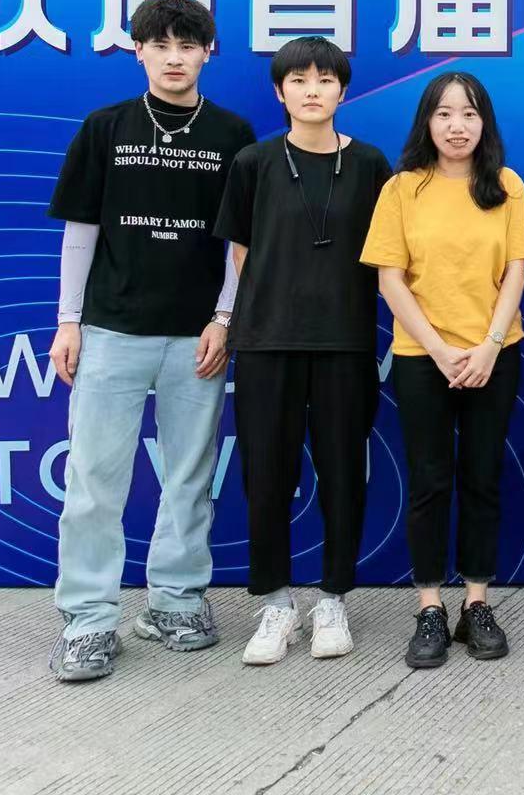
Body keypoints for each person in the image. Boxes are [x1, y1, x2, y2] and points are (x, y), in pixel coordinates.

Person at [45, 0, 256, 683]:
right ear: (138, 51)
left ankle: (177, 600)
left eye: (187, 46)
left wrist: (224, 319)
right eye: (159, 45)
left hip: (196, 337)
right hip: (111, 329)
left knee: (190, 477)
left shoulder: (232, 133)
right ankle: (88, 620)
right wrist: (69, 320)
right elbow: (81, 230)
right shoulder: (105, 128)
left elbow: (240, 242)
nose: (173, 58)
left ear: (207, 53)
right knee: (94, 480)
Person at [215, 36, 392, 666]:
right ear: (279, 91)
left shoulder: (370, 164)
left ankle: (333, 598)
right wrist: (246, 314)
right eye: (298, 80)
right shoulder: (254, 162)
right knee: (267, 474)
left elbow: (389, 253)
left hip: (345, 341)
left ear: (342, 91)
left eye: (324, 80)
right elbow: (240, 251)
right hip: (267, 342)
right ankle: (275, 603)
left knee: (343, 473)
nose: (312, 90)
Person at [361, 72, 524, 669]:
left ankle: (476, 603)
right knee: (430, 480)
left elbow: (516, 271)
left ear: (485, 123)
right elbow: (390, 279)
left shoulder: (506, 185)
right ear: (427, 122)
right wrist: (438, 350)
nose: (457, 126)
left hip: (494, 356)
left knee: (482, 476)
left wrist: (488, 346)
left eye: (469, 114)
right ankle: (430, 606)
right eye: (444, 114)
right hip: (422, 358)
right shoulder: (402, 189)